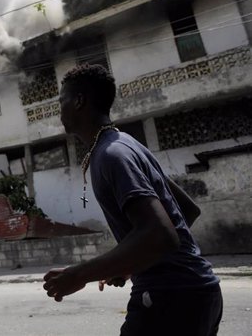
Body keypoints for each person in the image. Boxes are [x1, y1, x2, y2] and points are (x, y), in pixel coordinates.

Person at [43, 64, 222, 335]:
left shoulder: (112, 155)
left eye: (63, 101)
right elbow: (186, 210)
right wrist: (133, 261)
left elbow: (161, 234)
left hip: (169, 299)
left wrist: (77, 275)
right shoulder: (128, 144)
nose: (60, 110)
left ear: (79, 101)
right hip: (198, 291)